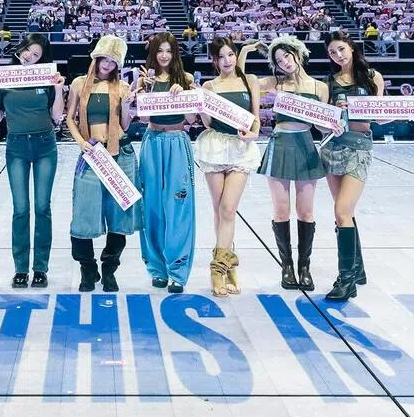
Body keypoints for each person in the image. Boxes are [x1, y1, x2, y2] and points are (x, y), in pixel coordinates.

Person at [247, 35, 330, 291]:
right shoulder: (275, 83)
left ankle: (304, 266)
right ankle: (287, 266)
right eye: (279, 60)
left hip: (305, 145)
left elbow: (320, 124)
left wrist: (333, 124)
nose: (284, 62)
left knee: (306, 211)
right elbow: (245, 82)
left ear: (297, 53)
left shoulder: (319, 87)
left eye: (287, 56)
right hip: (280, 144)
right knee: (281, 210)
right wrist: (246, 51)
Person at [0, 33, 65, 289]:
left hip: (44, 145)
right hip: (16, 145)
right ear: (20, 49)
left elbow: (56, 116)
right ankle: (20, 268)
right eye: (28, 50)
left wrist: (57, 88)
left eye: (37, 55)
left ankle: (40, 268)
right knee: (21, 209)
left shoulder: (47, 77)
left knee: (42, 207)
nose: (31, 56)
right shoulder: (4, 78)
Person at [66, 35, 142, 292]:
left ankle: (109, 268)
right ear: (96, 56)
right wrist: (80, 141)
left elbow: (123, 125)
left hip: (121, 154)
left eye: (113, 61)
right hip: (92, 155)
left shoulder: (121, 88)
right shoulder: (79, 84)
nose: (107, 65)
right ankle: (88, 270)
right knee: (83, 214)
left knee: (120, 216)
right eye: (104, 59)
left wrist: (129, 108)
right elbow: (69, 118)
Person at [194, 37, 261, 296]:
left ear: (235, 56)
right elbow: (209, 123)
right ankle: (227, 264)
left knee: (228, 208)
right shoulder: (210, 85)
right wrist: (201, 106)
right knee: (219, 210)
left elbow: (255, 117)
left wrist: (254, 135)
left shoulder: (249, 80)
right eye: (221, 57)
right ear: (214, 60)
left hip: (241, 148)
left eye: (230, 55)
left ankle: (218, 267)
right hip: (215, 146)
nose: (227, 61)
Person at [322, 31, 384, 302]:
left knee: (341, 210)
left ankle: (346, 280)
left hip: (359, 148)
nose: (339, 55)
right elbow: (323, 119)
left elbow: (378, 118)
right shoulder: (329, 82)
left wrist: (354, 108)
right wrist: (333, 114)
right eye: (333, 52)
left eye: (342, 49)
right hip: (332, 149)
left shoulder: (372, 77)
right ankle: (357, 269)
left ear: (351, 48)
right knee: (344, 212)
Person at [134, 32, 198, 292]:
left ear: (175, 54)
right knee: (151, 207)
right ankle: (157, 269)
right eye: (159, 50)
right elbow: (140, 118)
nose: (164, 55)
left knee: (179, 207)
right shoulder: (144, 80)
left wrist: (185, 95)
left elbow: (192, 120)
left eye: (168, 51)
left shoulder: (186, 79)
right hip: (152, 142)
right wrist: (141, 92)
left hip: (177, 143)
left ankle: (178, 270)